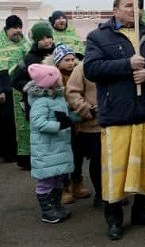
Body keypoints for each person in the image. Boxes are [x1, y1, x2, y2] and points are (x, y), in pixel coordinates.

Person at [84, 0, 145, 241]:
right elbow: (91, 69)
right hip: (117, 114)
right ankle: (113, 218)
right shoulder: (98, 37)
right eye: (128, 6)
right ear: (115, 10)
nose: (135, 10)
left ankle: (141, 210)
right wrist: (127, 64)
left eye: (139, 6)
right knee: (117, 171)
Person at [24, 63, 77, 223]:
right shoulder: (41, 102)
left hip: (59, 146)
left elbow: (64, 115)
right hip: (47, 149)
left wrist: (75, 118)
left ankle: (56, 206)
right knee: (46, 181)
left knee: (58, 178)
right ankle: (47, 211)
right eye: (57, 78)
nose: (61, 80)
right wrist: (59, 125)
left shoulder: (57, 98)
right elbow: (38, 123)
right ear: (50, 82)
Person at [45, 43, 91, 204]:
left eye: (73, 59)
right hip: (62, 124)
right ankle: (63, 187)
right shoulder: (51, 78)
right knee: (63, 157)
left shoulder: (80, 74)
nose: (71, 62)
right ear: (58, 62)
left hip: (78, 125)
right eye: (67, 59)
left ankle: (77, 183)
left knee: (77, 156)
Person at [11, 21, 56, 170]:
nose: (47, 41)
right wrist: (32, 88)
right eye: (42, 38)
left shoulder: (59, 53)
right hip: (37, 107)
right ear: (36, 40)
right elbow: (16, 79)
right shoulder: (29, 58)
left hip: (58, 104)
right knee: (43, 142)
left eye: (48, 37)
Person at [65, 61, 102, 207]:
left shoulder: (116, 63)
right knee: (98, 161)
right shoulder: (83, 67)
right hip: (93, 125)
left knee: (113, 163)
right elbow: (72, 92)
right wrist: (86, 109)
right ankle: (101, 194)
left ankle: (114, 193)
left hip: (116, 122)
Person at [0, 15, 30, 163]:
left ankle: (22, 154)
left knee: (23, 123)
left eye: (20, 28)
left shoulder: (25, 43)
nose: (18, 31)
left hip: (21, 88)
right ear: (7, 29)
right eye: (15, 28)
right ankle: (8, 153)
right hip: (4, 89)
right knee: (7, 123)